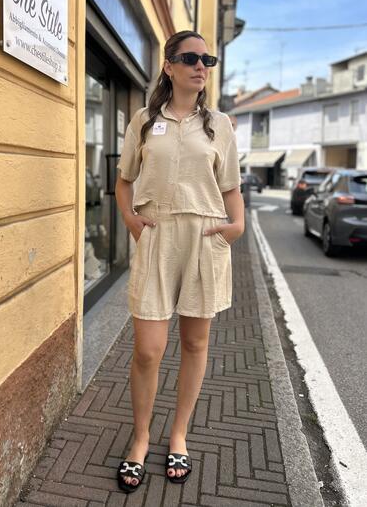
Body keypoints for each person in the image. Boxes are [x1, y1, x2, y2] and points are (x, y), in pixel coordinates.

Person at [114, 30, 245, 493]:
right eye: (190, 58)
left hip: (204, 236)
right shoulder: (145, 120)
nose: (200, 66)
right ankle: (141, 437)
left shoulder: (220, 125)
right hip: (157, 234)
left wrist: (236, 226)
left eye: (207, 59)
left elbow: (231, 187)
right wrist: (132, 222)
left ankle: (179, 435)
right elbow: (124, 180)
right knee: (148, 349)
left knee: (194, 342)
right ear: (168, 66)